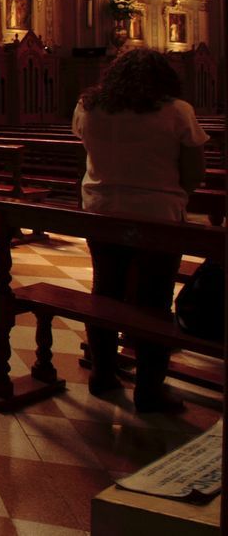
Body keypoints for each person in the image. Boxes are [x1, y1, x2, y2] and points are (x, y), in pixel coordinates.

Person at [72, 48, 208, 413]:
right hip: (157, 215)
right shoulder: (177, 111)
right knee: (154, 301)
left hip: (101, 210)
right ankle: (149, 389)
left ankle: (103, 374)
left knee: (105, 291)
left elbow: (86, 147)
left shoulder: (89, 107)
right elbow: (194, 173)